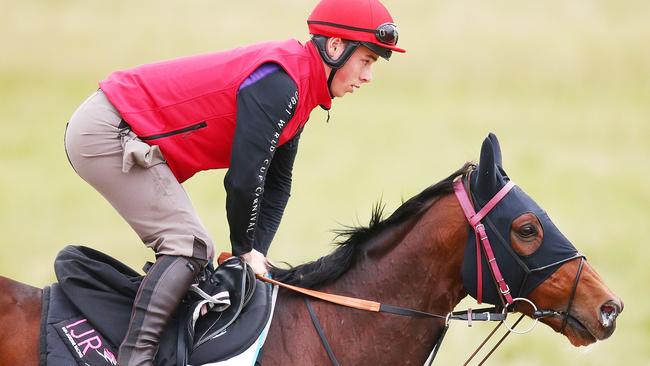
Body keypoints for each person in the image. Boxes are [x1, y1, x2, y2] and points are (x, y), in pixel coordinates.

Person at [64, 0, 405, 364]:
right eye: (366, 61)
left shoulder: (302, 86)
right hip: (109, 130)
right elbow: (244, 179)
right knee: (191, 247)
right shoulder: (282, 82)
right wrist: (244, 250)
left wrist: (251, 258)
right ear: (336, 47)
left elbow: (277, 185)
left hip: (120, 127)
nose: (368, 76)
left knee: (196, 252)